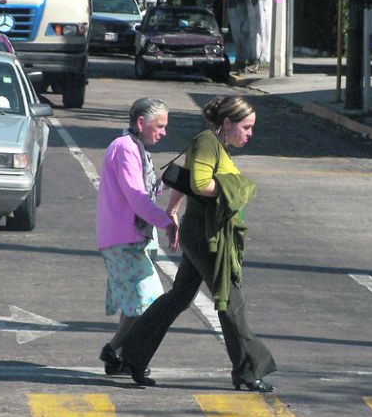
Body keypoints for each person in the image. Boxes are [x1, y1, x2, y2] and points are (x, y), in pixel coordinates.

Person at [115, 96, 277, 392]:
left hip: (201, 231)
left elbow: (185, 179)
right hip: (207, 236)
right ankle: (248, 369)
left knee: (179, 297)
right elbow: (201, 183)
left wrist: (173, 212)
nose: (250, 133)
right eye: (246, 127)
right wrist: (238, 186)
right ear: (227, 123)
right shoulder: (207, 142)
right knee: (230, 299)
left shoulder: (214, 144)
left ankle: (131, 355)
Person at [96, 97, 179, 376]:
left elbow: (143, 193)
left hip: (130, 237)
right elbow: (136, 198)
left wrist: (162, 185)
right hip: (123, 238)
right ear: (141, 123)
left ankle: (115, 357)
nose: (164, 132)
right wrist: (168, 222)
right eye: (160, 126)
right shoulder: (124, 148)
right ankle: (117, 349)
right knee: (150, 300)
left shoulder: (136, 148)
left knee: (135, 301)